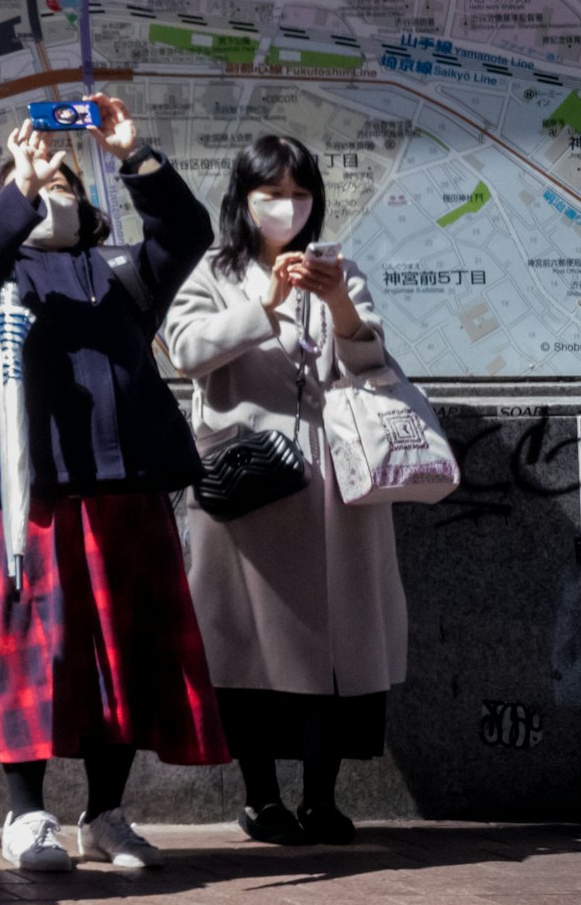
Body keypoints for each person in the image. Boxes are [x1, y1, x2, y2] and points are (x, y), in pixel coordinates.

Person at [0, 96, 224, 874]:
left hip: (127, 485)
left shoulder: (122, 272)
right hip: (34, 492)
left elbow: (187, 234)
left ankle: (106, 814)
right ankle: (25, 814)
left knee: (124, 649)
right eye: (41, 179)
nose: (56, 187)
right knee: (36, 649)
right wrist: (21, 190)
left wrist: (134, 154)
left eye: (68, 180)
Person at [159, 136, 407, 846]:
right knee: (244, 646)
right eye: (273, 193)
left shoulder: (339, 270)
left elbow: (371, 360)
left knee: (333, 646)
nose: (288, 208)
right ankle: (261, 797)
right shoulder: (211, 271)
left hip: (332, 489)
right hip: (246, 486)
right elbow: (187, 352)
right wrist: (265, 305)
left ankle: (321, 797)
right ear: (243, 198)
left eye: (300, 194)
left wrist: (342, 310)